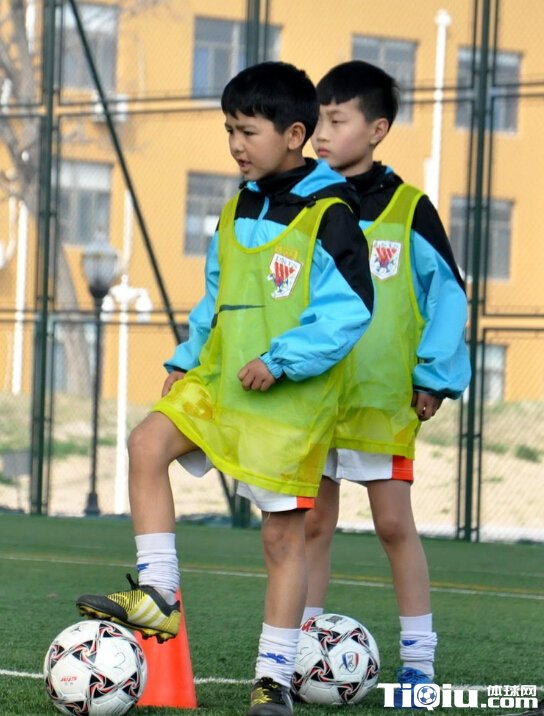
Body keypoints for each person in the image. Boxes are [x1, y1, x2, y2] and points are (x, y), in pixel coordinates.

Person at [75, 61, 374, 716]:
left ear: (294, 135)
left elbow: (350, 310)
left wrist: (281, 360)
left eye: (247, 132)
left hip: (287, 401)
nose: (236, 144)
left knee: (281, 541)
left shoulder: (330, 214)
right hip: (220, 384)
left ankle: (272, 680)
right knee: (146, 444)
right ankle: (158, 594)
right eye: (229, 131)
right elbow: (216, 297)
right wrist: (187, 359)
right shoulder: (239, 205)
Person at [303, 60, 471, 706]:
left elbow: (448, 295)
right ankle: (300, 652)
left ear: (376, 130)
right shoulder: (305, 201)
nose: (321, 133)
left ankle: (419, 667)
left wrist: (434, 376)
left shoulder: (408, 209)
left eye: (336, 120)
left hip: (381, 401)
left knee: (394, 525)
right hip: (312, 395)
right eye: (316, 120)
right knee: (311, 524)